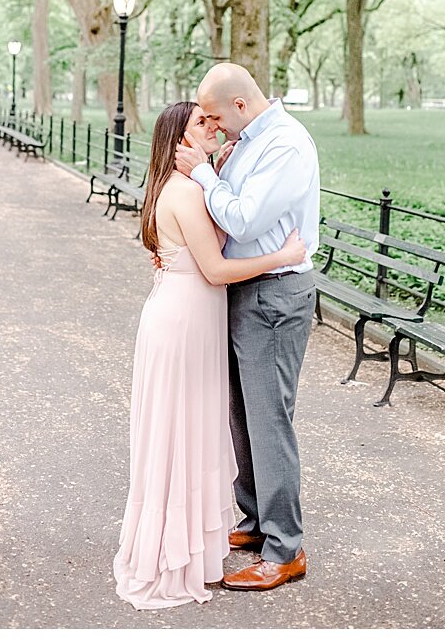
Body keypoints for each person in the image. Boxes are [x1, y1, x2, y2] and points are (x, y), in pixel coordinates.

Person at [113, 101, 307, 609]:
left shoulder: (185, 186)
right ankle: (176, 547)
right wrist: (285, 257)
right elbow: (217, 269)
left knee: (195, 428)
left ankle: (198, 535)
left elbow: (217, 233)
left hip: (186, 318)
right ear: (180, 141)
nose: (214, 125)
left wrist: (212, 172)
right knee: (182, 432)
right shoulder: (182, 192)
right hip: (183, 323)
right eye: (202, 122)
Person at [173, 63, 321, 592]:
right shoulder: (247, 142)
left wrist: (204, 173)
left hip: (275, 296)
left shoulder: (284, 145)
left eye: (214, 116)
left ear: (240, 105)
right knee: (241, 417)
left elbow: (243, 219)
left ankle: (286, 549)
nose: (212, 125)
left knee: (268, 420)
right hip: (243, 288)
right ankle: (257, 520)